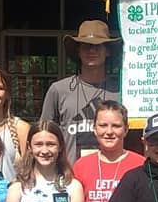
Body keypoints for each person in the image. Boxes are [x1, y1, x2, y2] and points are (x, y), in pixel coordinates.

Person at [42, 19, 122, 163]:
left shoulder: (121, 91)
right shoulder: (59, 90)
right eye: (86, 46)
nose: (92, 51)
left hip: (112, 177)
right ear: (78, 51)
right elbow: (44, 135)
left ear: (108, 51)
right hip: (69, 177)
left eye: (98, 46)